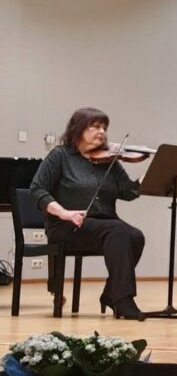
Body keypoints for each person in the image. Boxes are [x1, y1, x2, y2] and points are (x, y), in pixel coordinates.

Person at [29, 108, 146, 320]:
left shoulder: (108, 160)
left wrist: (144, 180)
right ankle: (124, 300)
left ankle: (111, 294)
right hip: (66, 227)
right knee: (117, 229)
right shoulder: (60, 156)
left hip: (105, 227)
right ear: (78, 129)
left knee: (136, 237)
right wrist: (64, 213)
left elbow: (127, 191)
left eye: (104, 128)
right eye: (96, 126)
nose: (102, 132)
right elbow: (37, 189)